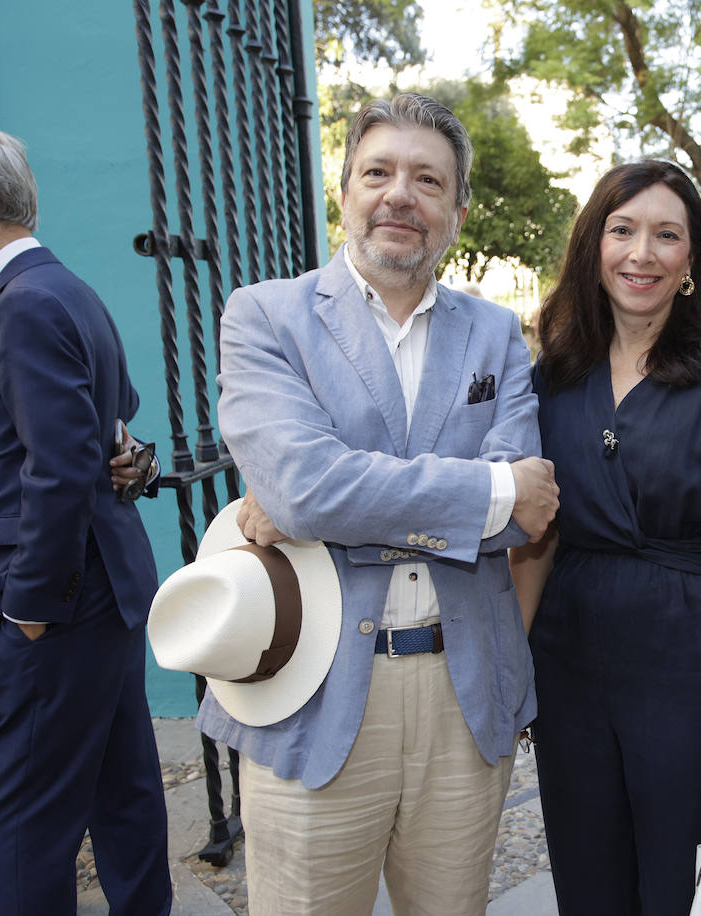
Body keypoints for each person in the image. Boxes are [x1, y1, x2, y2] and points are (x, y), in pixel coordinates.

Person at [202, 92, 557, 916]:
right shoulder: (266, 317)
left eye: (428, 180)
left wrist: (332, 504)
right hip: (311, 692)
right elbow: (305, 486)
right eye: (379, 172)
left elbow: (524, 518)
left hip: (462, 695)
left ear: (457, 211)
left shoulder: (496, 334)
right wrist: (489, 488)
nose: (401, 194)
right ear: (345, 192)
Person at [510, 159, 701, 915]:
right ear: (593, 245)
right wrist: (511, 676)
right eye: (623, 230)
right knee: (588, 878)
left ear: (691, 259)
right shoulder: (555, 375)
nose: (642, 253)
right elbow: (535, 540)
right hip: (570, 662)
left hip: (690, 656)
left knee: (681, 880)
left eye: (667, 235)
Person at [0, 125, 170, 915]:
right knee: (124, 798)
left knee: (15, 829)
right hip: (97, 600)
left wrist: (28, 613)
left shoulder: (26, 301)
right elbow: (111, 425)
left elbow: (60, 465)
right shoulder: (63, 289)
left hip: (57, 609)